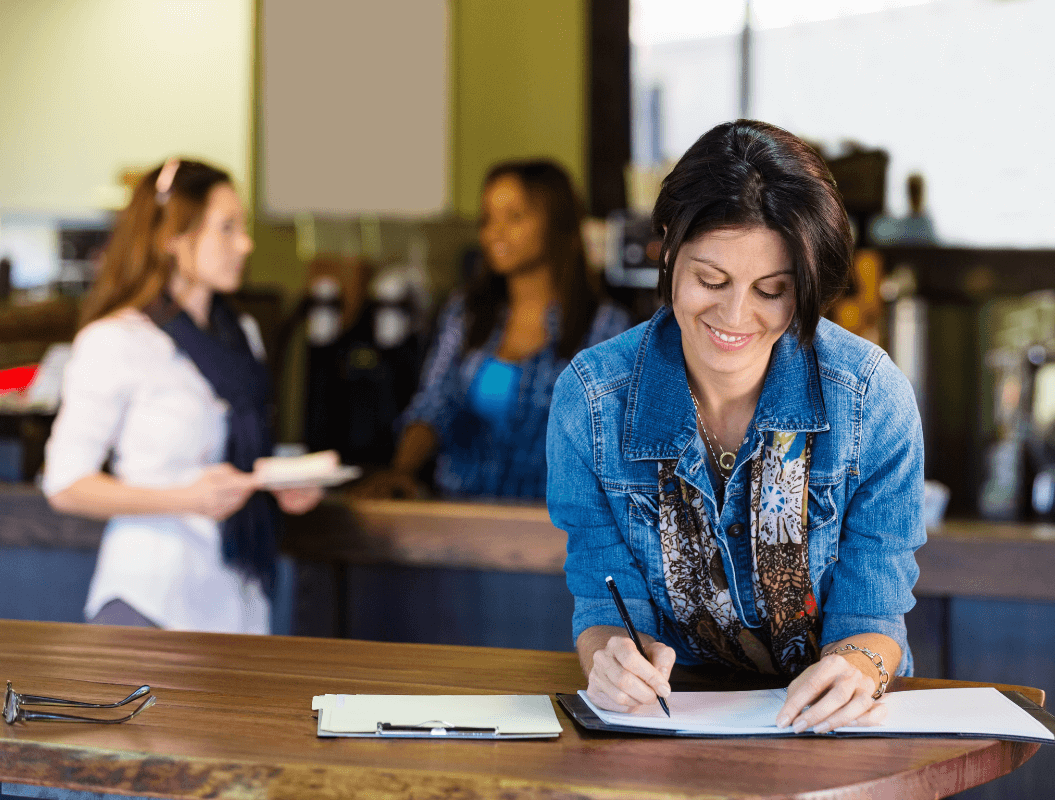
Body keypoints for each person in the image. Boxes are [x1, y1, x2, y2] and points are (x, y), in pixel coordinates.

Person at [547, 120, 926, 734]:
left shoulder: (869, 399)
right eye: (710, 280)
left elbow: (875, 613)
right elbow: (601, 591)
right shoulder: (592, 402)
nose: (735, 315)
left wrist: (856, 668)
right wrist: (611, 658)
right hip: (665, 730)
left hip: (828, 730)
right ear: (666, 248)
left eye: (771, 290)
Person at [43, 158, 322, 633]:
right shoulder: (117, 340)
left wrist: (283, 483)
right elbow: (65, 485)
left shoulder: (243, 334)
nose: (246, 244)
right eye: (227, 229)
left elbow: (241, 455)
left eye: (243, 227)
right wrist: (185, 498)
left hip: (239, 604)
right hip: (151, 602)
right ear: (173, 237)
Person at [362, 160, 630, 500]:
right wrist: (400, 471)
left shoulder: (605, 327)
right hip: (461, 517)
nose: (495, 232)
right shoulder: (466, 313)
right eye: (488, 219)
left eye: (514, 217)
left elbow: (614, 444)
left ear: (558, 224)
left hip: (556, 528)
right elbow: (433, 403)